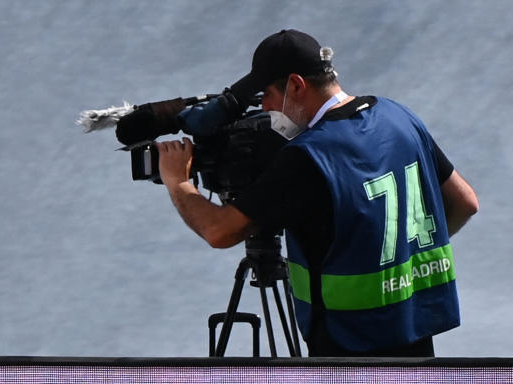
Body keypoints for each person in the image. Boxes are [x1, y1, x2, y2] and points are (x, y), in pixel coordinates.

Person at [153, 29, 479, 357]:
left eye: (265, 93)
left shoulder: (309, 156)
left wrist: (178, 181)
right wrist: (399, 265)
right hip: (415, 331)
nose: (264, 106)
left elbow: (219, 231)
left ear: (295, 85)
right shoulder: (400, 117)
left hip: (346, 347)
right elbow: (465, 202)